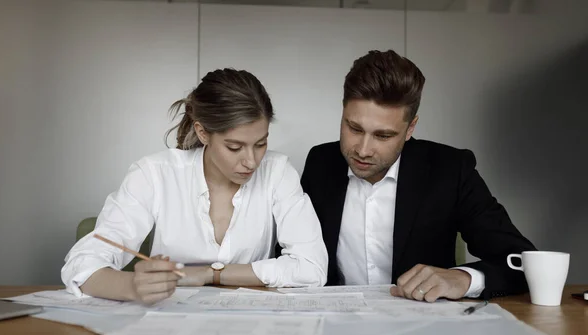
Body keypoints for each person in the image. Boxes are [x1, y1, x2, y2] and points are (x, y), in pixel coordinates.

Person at [62, 68, 328, 304]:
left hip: (250, 328)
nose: (251, 161)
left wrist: (210, 274)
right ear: (203, 133)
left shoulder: (278, 172)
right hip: (169, 333)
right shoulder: (154, 174)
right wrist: (132, 286)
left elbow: (312, 269)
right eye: (234, 147)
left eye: (261, 144)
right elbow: (80, 265)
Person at [301, 49, 536, 302]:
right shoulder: (320, 163)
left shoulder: (450, 169)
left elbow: (523, 262)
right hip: (336, 327)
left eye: (383, 136)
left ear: (410, 128)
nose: (363, 150)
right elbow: (293, 256)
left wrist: (463, 279)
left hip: (423, 329)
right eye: (354, 128)